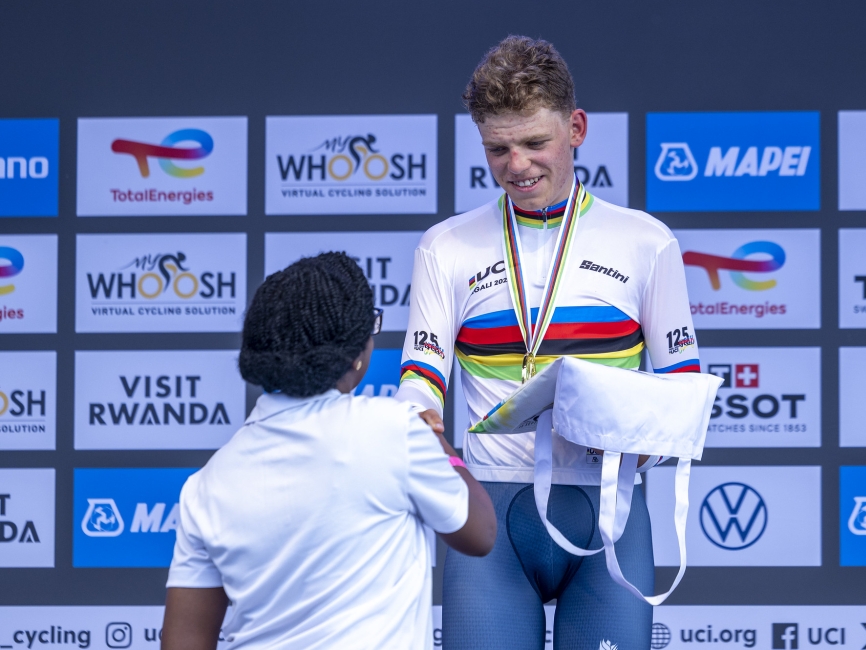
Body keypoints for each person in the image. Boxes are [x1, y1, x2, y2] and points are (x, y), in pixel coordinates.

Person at [395, 36, 701, 649]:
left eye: (535, 143)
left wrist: (633, 446)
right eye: (497, 148)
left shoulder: (646, 242)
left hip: (608, 511)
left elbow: (683, 391)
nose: (517, 165)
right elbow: (418, 388)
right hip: (493, 517)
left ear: (577, 128)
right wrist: (446, 461)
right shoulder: (446, 245)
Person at [161, 252, 496, 650]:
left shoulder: (206, 483)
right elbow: (479, 534)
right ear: (356, 354)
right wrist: (441, 445)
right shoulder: (393, 431)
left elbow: (183, 642)